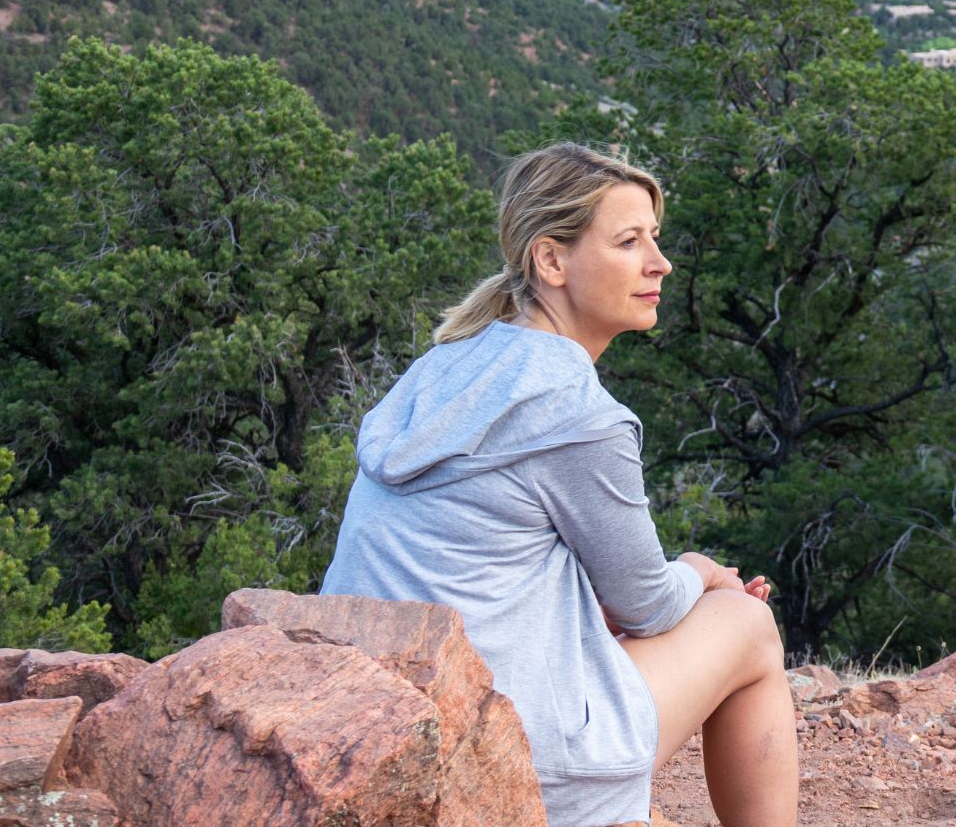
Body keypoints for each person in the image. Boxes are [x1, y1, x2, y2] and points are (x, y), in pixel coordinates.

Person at [322, 143, 797, 827]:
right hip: (513, 755)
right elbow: (649, 607)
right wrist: (699, 572)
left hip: (375, 729)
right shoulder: (574, 413)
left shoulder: (445, 366)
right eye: (630, 242)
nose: (660, 263)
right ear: (551, 260)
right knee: (747, 624)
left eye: (654, 238)